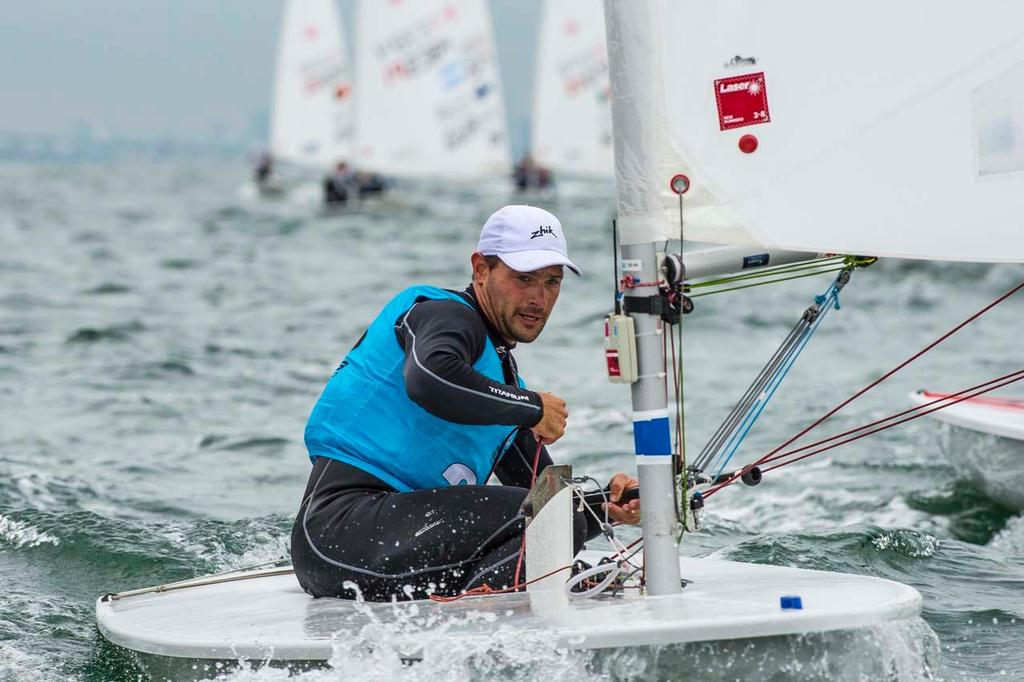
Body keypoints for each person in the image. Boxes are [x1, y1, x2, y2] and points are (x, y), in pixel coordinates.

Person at [291, 205, 640, 602]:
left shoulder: (497, 384)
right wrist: (531, 407)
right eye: (523, 278)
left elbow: (542, 496)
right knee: (557, 520)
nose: (539, 298)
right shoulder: (446, 317)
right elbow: (429, 378)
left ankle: (482, 620)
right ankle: (493, 628)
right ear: (480, 269)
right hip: (339, 536)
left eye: (552, 282)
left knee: (561, 513)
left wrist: (605, 505)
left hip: (388, 547)